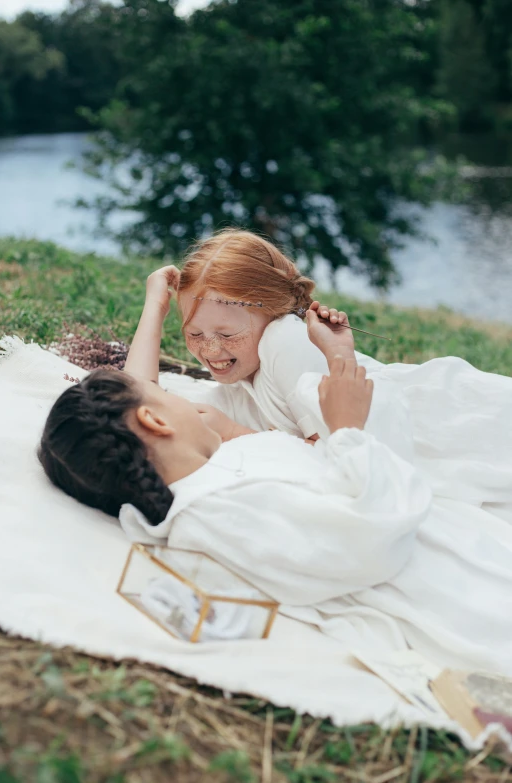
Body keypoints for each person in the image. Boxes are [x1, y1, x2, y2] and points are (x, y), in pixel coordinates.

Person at [39, 318, 512, 676]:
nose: (185, 398)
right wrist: (347, 429)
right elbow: (369, 536)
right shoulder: (212, 511)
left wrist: (337, 361)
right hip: (463, 590)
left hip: (454, 536)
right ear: (156, 422)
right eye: (167, 397)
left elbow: (299, 474)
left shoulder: (218, 470)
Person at [124, 228, 512, 508]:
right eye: (194, 333)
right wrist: (155, 307)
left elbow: (343, 458)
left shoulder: (285, 343)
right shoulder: (237, 385)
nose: (210, 350)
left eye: (226, 334)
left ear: (271, 315)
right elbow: (133, 401)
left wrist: (236, 433)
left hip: (443, 426)